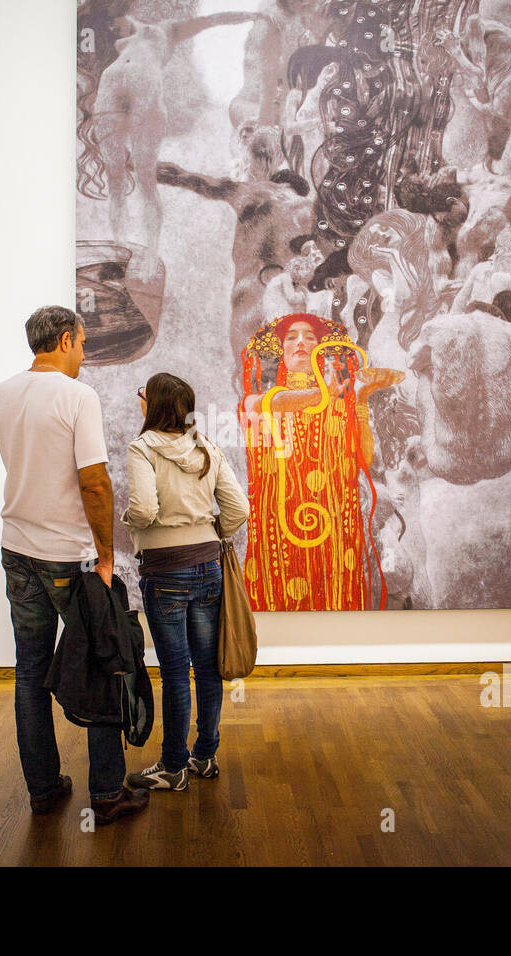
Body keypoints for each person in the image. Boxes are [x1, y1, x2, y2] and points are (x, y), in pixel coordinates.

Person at [0, 305, 148, 824]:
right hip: (70, 558)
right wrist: (105, 555)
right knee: (105, 660)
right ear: (64, 340)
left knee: (30, 671)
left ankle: (42, 787)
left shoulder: (2, 394)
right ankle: (105, 793)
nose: (83, 353)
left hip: (17, 548)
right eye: (81, 343)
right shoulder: (79, 397)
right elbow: (95, 480)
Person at [121, 373, 249, 790]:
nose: (140, 400)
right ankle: (205, 756)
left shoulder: (142, 449)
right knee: (208, 668)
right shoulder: (206, 447)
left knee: (176, 672)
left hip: (165, 570)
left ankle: (173, 767)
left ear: (152, 404)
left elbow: (142, 510)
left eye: (143, 394)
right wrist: (211, 533)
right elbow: (238, 509)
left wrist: (134, 525)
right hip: (208, 566)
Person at [241, 312, 401, 610]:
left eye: (309, 337)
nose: (300, 342)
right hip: (279, 527)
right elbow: (280, 403)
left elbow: (364, 458)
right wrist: (324, 393)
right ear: (282, 350)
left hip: (335, 527)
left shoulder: (339, 405)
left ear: (319, 347)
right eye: (291, 337)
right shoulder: (257, 400)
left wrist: (362, 400)